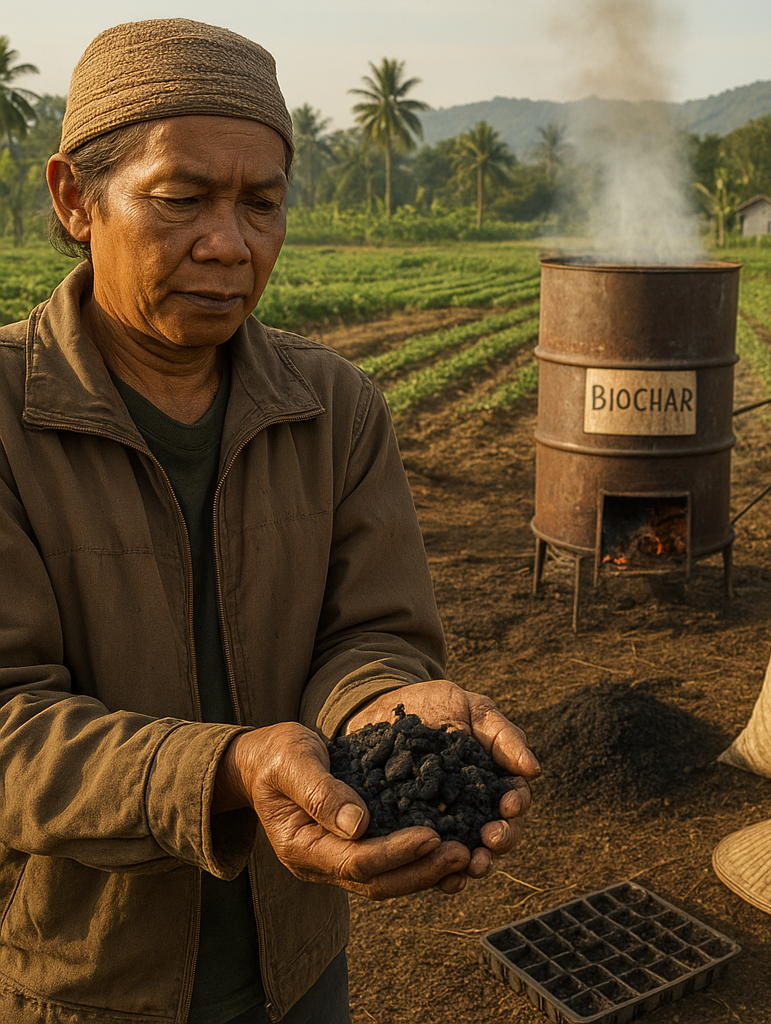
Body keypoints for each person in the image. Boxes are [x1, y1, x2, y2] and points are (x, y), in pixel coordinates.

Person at [0, 19, 539, 1024]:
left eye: (263, 203)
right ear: (76, 197)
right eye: (181, 198)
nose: (230, 243)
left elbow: (369, 633)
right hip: (78, 976)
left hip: (296, 966)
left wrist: (382, 708)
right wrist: (229, 770)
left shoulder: (333, 407)